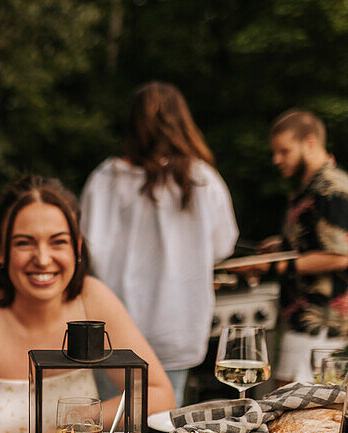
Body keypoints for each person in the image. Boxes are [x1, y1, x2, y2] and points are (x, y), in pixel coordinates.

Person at [0, 174, 176, 433]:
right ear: (0, 251)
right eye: (24, 243)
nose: (43, 259)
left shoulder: (90, 297)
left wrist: (75, 421)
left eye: (58, 242)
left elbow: (159, 394)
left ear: (77, 248)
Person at [80, 81, 238, 406]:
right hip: (177, 321)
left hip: (113, 324)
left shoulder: (107, 179)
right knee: (165, 418)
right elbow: (224, 245)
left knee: (113, 419)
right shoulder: (202, 180)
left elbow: (85, 249)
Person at [265, 109, 348, 385]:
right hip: (303, 321)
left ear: (309, 142)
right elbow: (320, 241)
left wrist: (274, 265)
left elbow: (337, 256)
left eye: (284, 151)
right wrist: (283, 245)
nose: (277, 159)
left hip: (324, 326)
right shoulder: (309, 188)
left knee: (299, 409)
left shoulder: (332, 187)